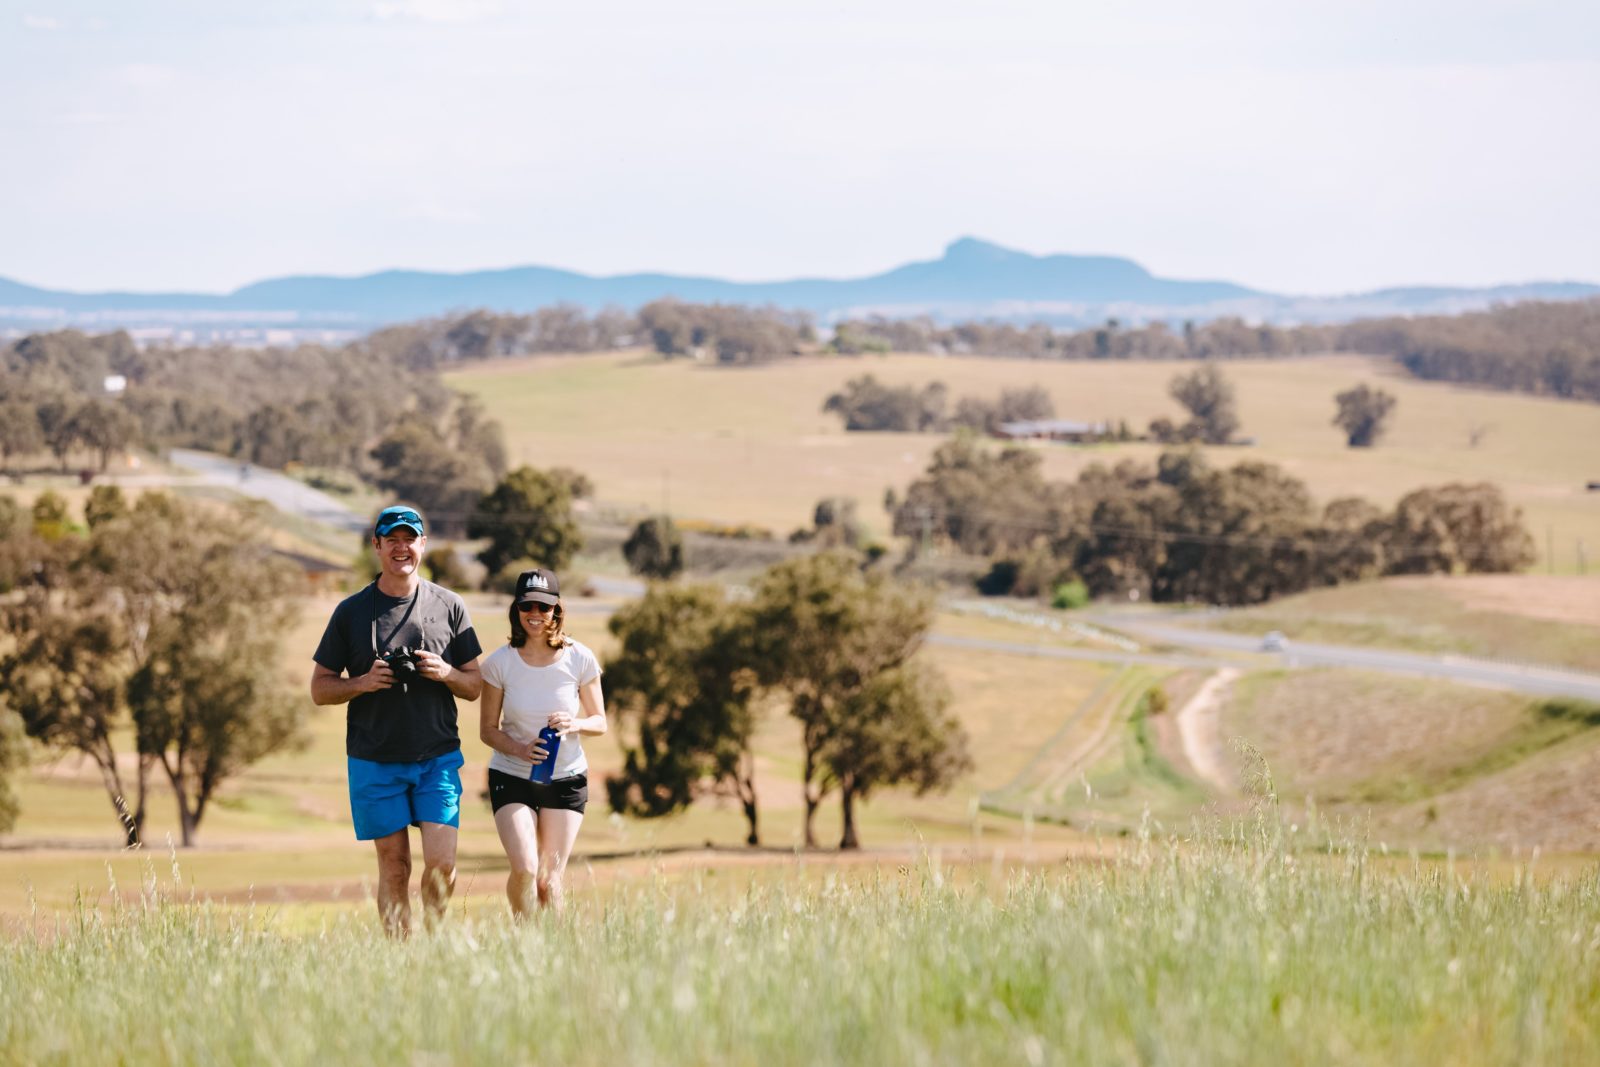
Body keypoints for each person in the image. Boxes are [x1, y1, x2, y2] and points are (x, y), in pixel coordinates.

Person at [310, 505, 483, 936]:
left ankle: (435, 944)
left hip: (437, 757)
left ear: (423, 544)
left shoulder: (450, 605)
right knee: (394, 867)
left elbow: (475, 684)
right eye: (392, 540)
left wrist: (446, 673)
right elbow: (320, 688)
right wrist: (363, 683)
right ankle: (400, 959)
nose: (401, 548)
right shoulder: (350, 612)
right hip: (374, 758)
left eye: (410, 539)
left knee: (442, 865)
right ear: (377, 546)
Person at [479, 567, 607, 915]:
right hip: (512, 775)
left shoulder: (579, 657)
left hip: (565, 778)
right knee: (525, 869)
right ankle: (524, 941)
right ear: (516, 611)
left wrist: (575, 723)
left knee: (549, 881)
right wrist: (520, 749)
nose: (535, 615)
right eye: (527, 607)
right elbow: (487, 730)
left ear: (556, 610)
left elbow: (600, 722)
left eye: (543, 607)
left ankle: (556, 954)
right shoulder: (498, 664)